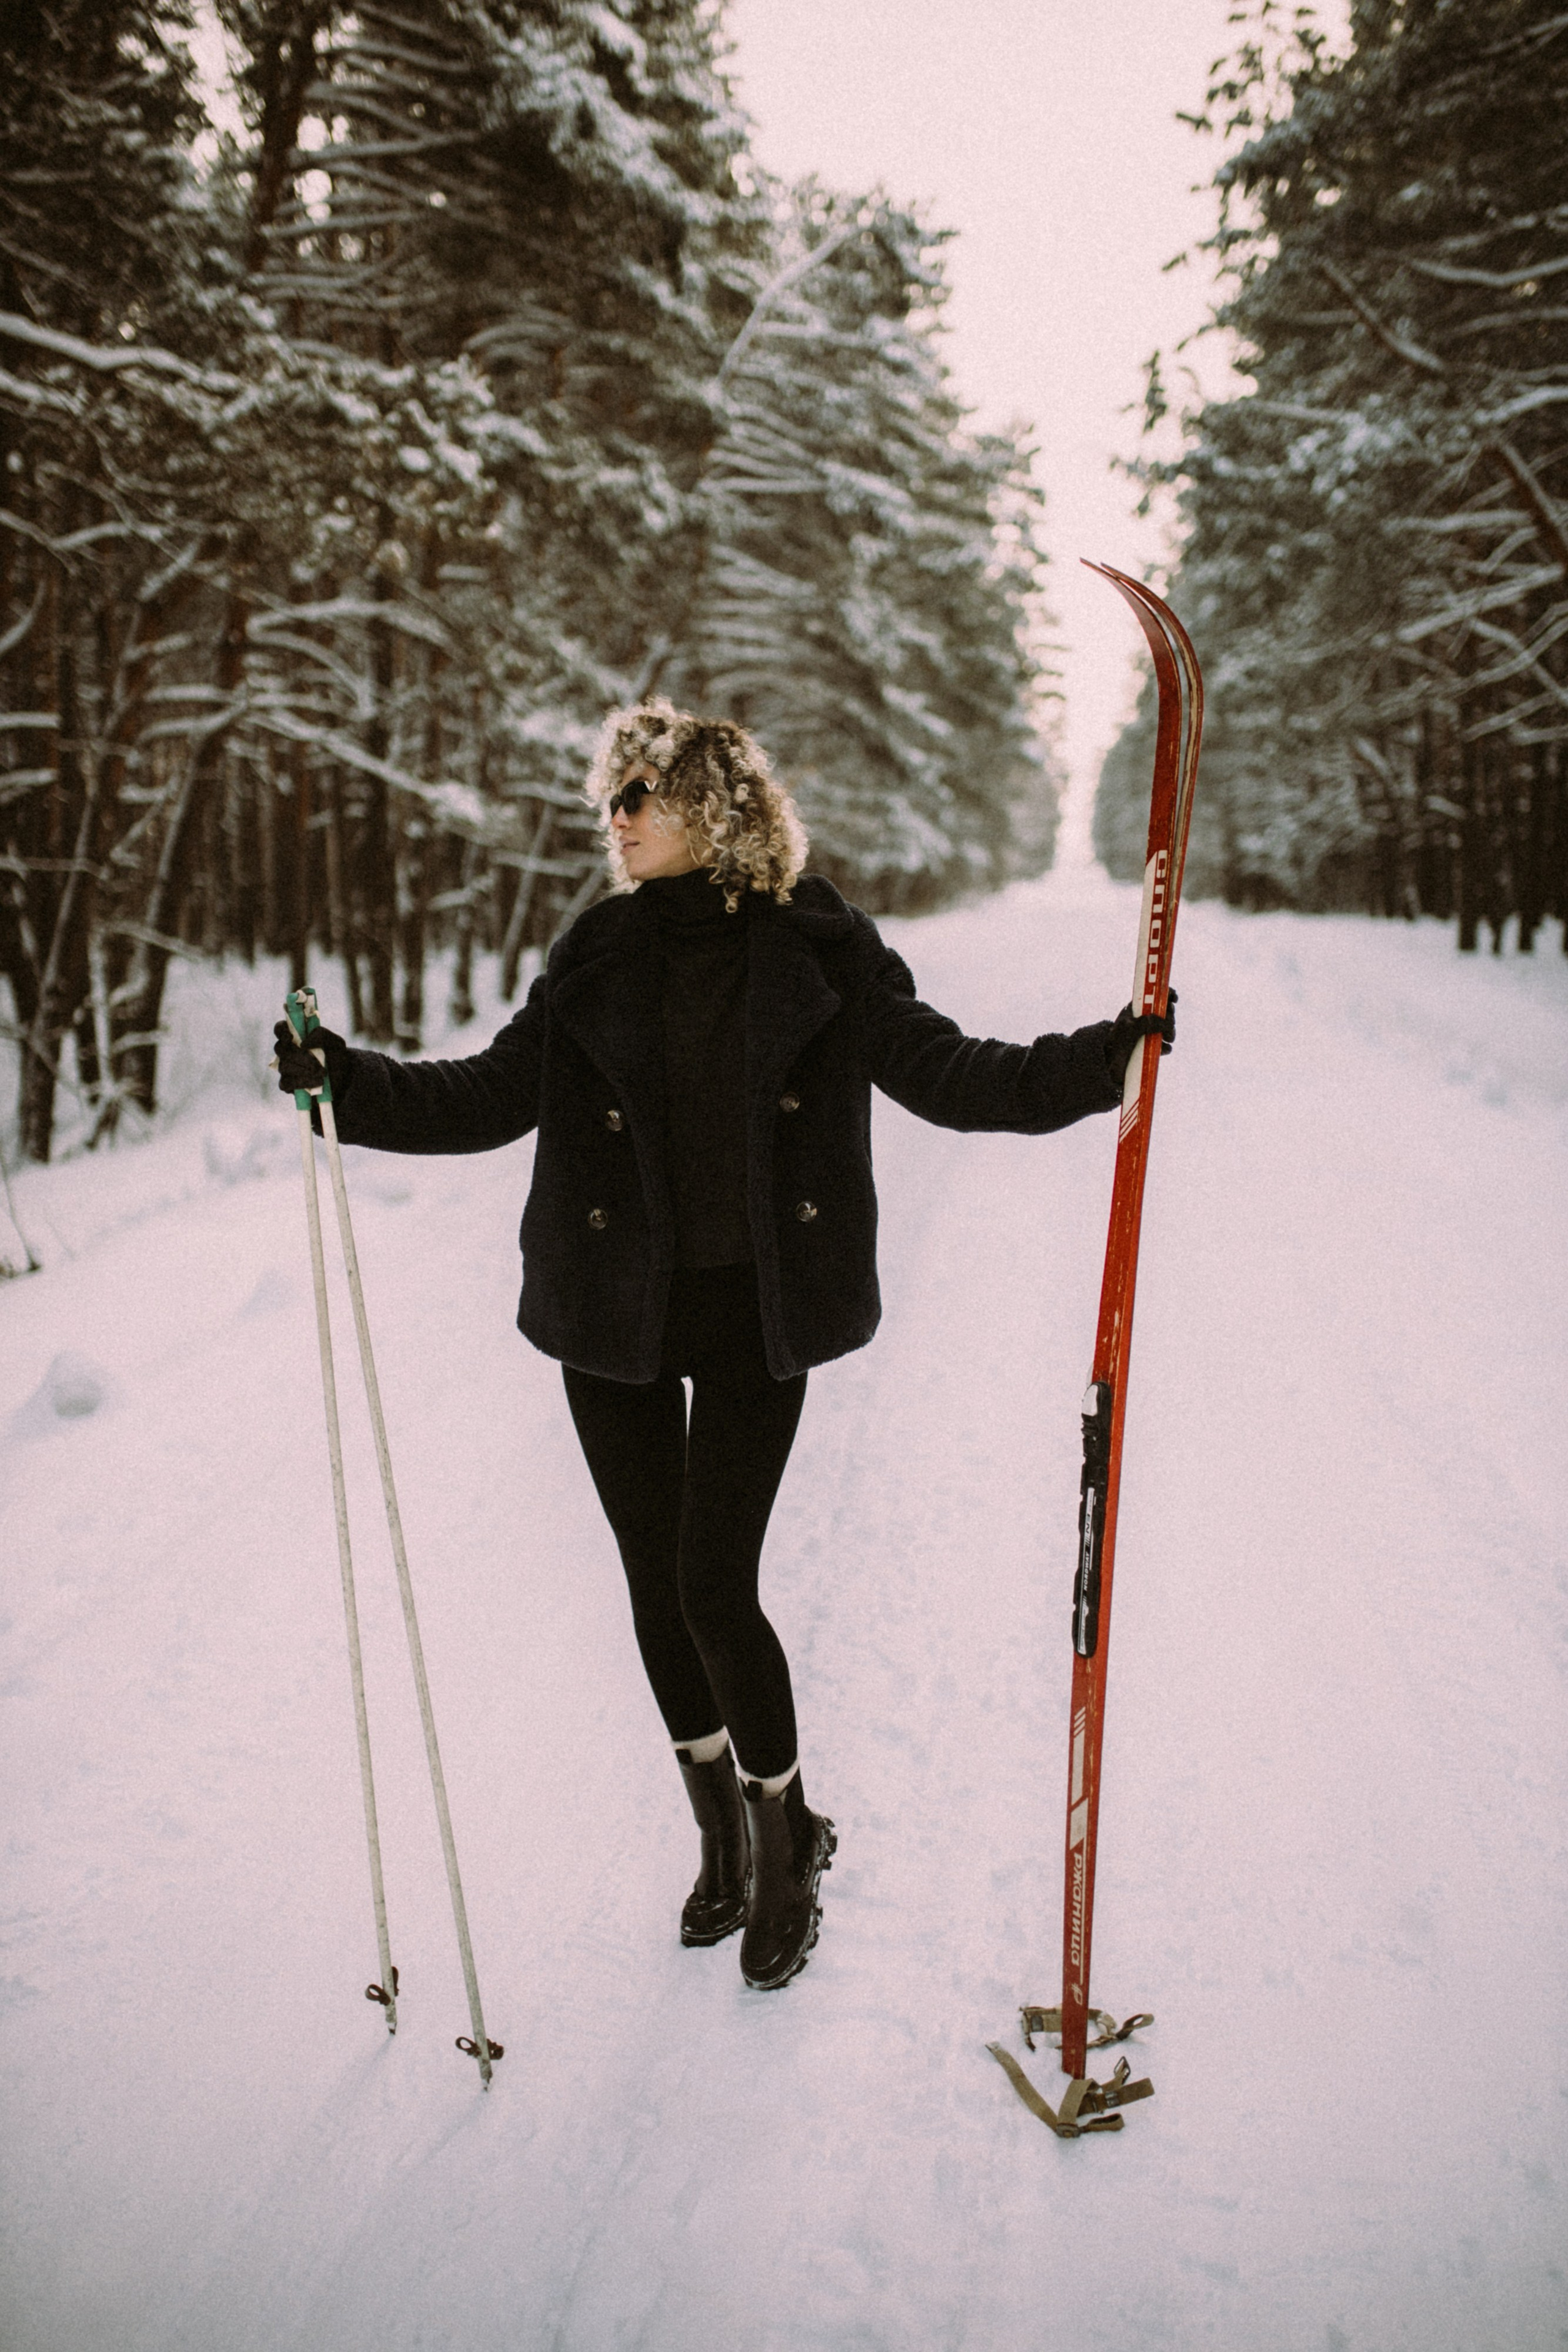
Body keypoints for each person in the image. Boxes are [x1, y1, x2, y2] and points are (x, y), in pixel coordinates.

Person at [274, 699, 1173, 1993]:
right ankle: (722, 1841)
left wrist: (1100, 1064)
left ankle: (785, 1837)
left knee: (711, 1583)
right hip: (612, 1314)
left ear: (713, 802)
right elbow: (485, 1095)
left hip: (757, 1313)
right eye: (609, 799)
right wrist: (343, 1082)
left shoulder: (820, 945)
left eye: (638, 792)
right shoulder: (594, 949)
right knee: (653, 1588)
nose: (616, 817)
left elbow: (949, 1072)